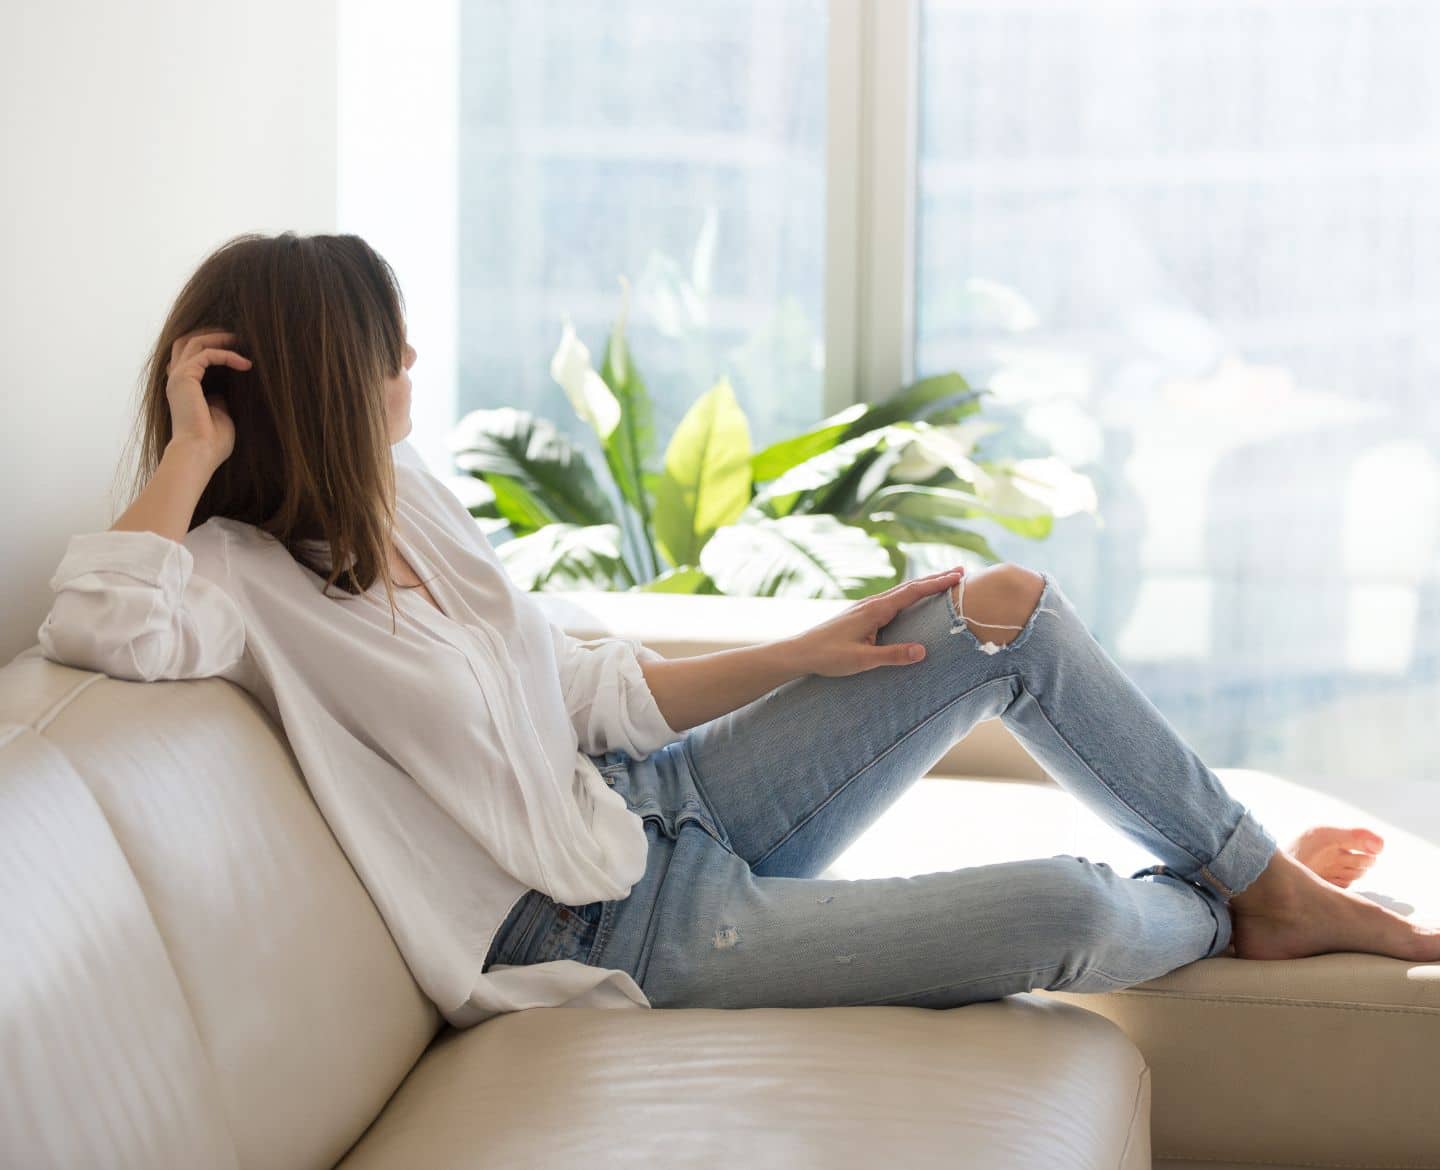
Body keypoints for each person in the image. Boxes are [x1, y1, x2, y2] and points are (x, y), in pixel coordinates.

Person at [36, 232, 1440, 1025]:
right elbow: (95, 622)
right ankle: (1225, 911)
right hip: (625, 926)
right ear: (341, 381)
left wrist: (802, 651)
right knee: (1070, 910)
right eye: (393, 356)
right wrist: (191, 444)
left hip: (654, 799)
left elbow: (577, 680)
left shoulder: (407, 497)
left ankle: (1255, 874)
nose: (414, 375)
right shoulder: (225, 576)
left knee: (997, 611)